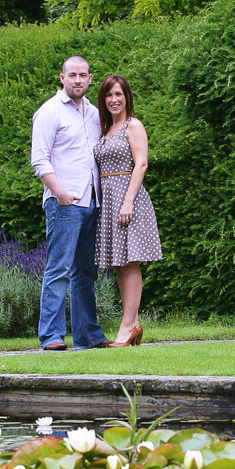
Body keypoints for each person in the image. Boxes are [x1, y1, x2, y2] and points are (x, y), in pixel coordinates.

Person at [29, 55, 109, 351]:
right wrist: (60, 192)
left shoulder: (92, 112)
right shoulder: (49, 112)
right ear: (62, 78)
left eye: (83, 75)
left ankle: (88, 335)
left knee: (86, 272)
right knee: (59, 268)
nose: (78, 80)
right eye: (72, 75)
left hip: (91, 200)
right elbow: (39, 159)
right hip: (64, 202)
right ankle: (51, 336)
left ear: (90, 79)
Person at [93, 74, 162, 347]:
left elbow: (141, 164)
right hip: (109, 201)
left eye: (119, 94)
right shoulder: (107, 129)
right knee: (120, 265)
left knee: (130, 262)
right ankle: (132, 324)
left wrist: (128, 201)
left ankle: (127, 326)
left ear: (127, 97)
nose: (114, 100)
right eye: (109, 95)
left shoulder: (133, 126)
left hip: (128, 200)